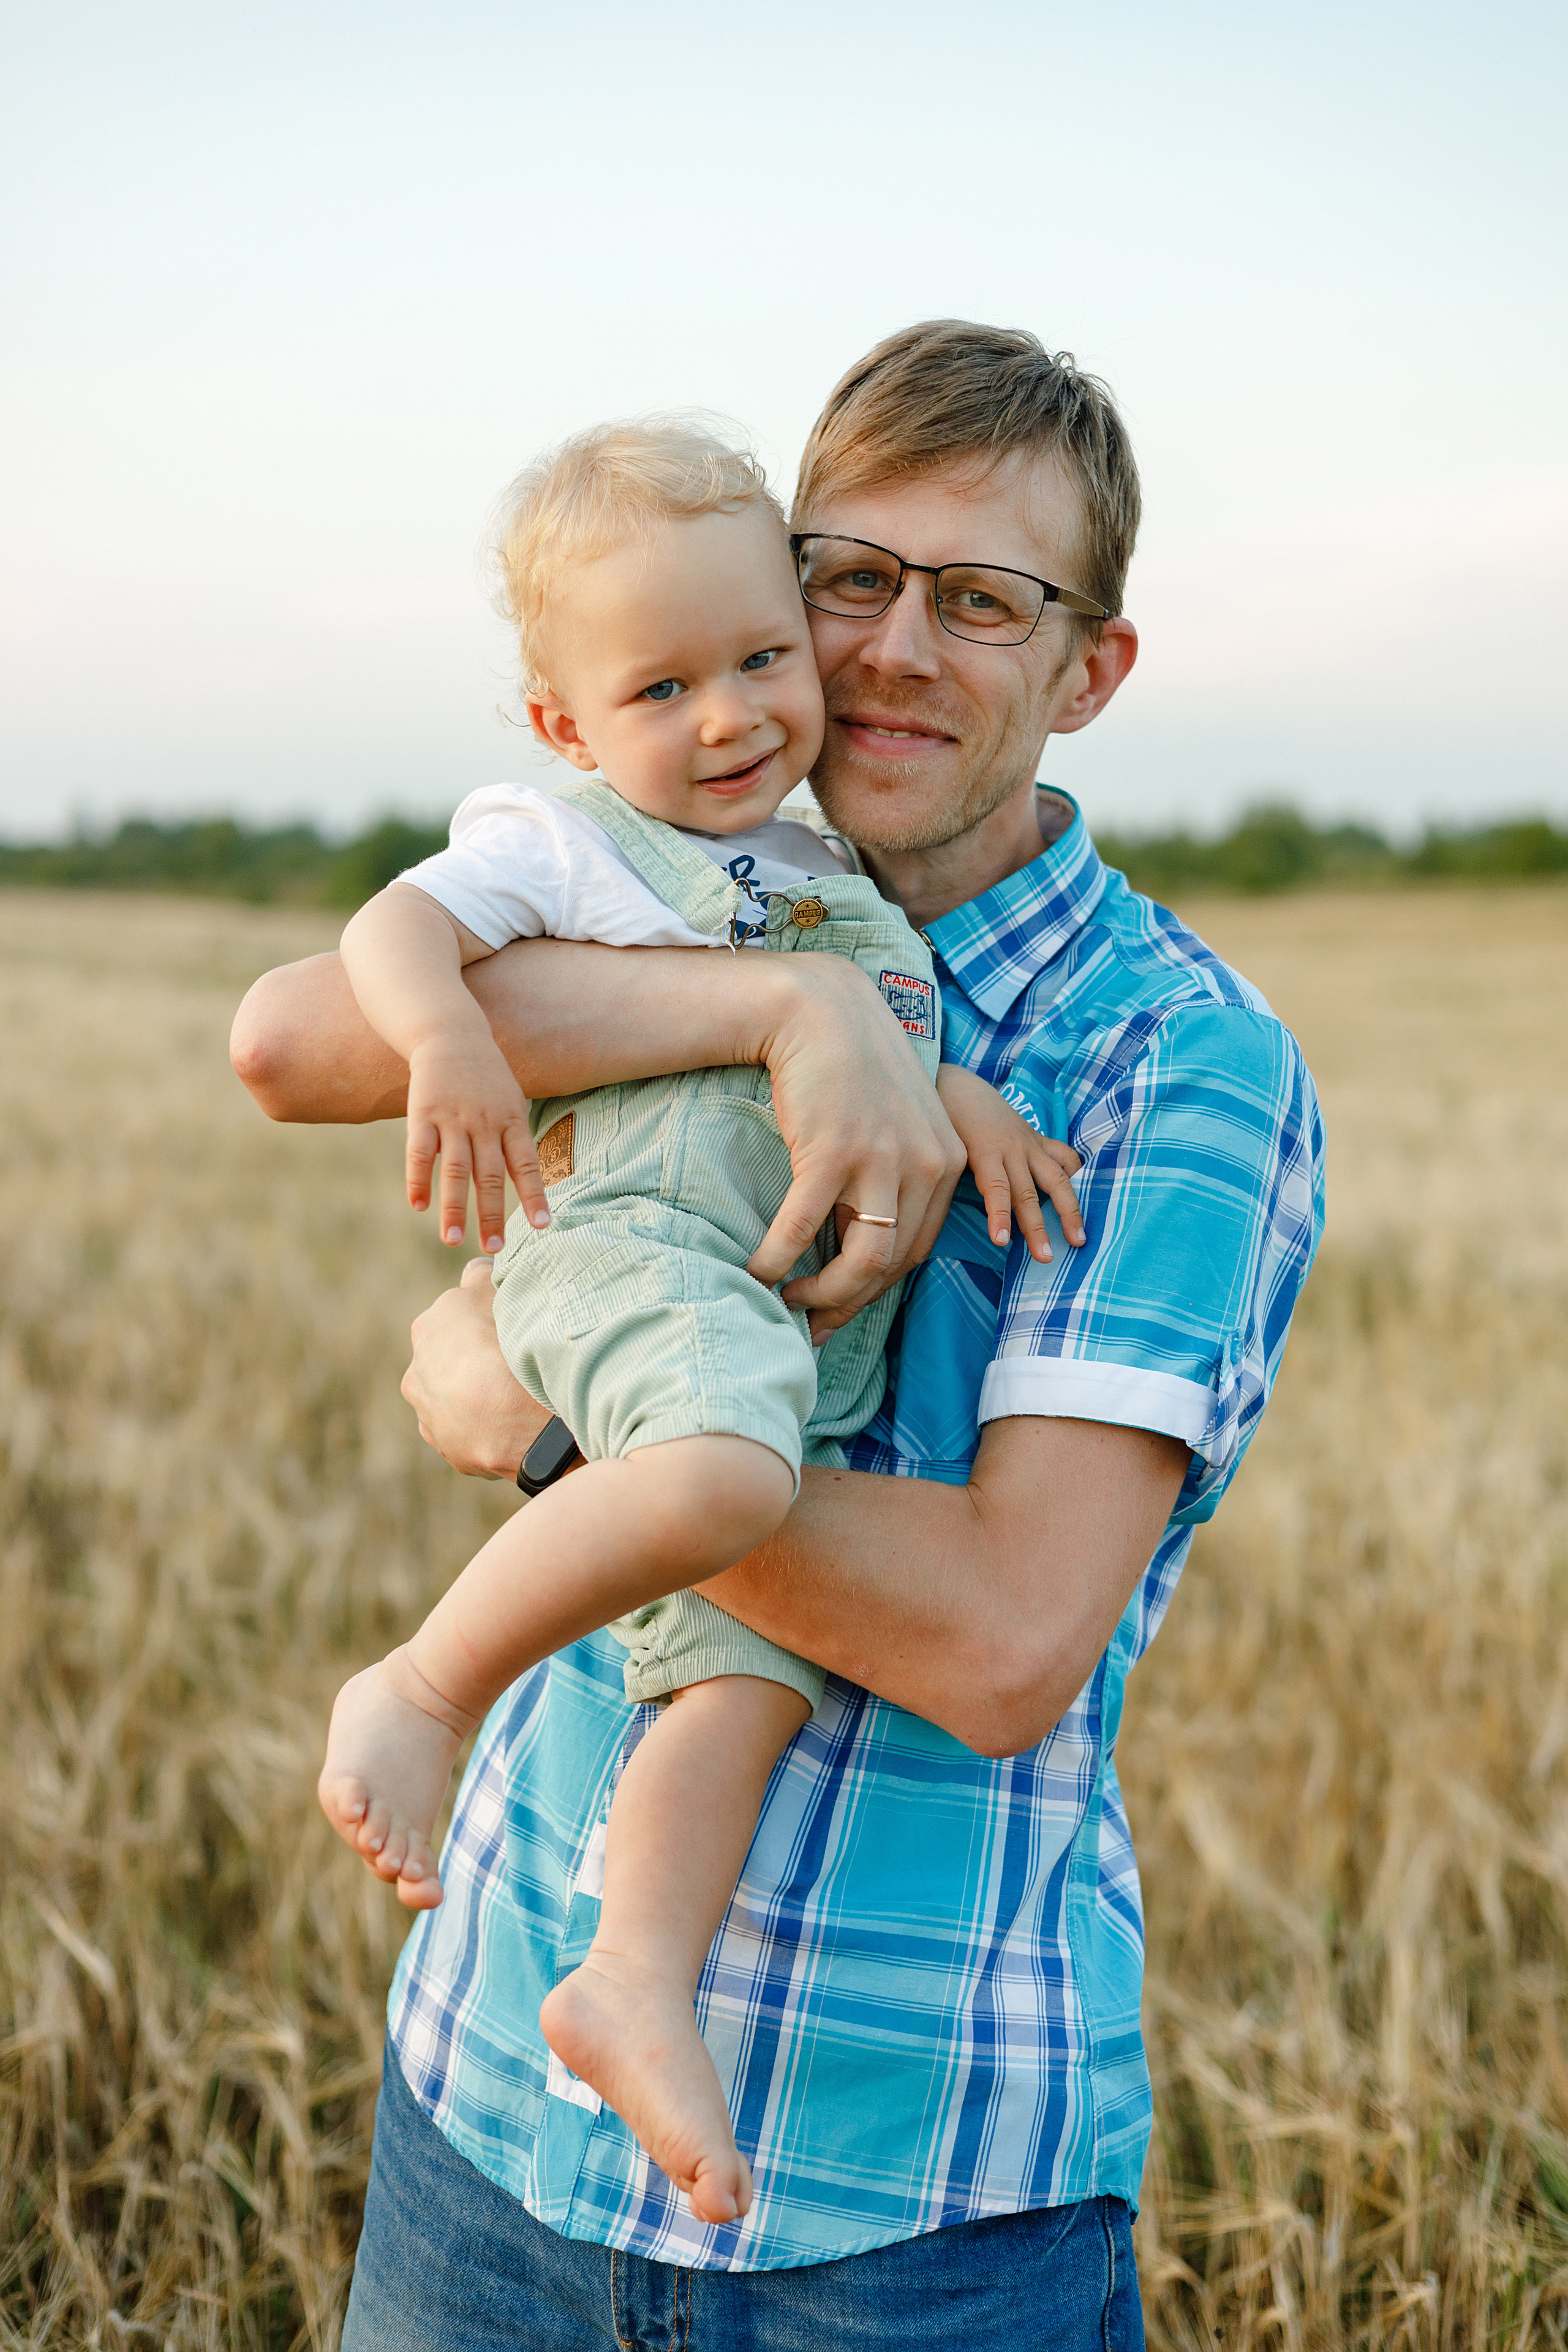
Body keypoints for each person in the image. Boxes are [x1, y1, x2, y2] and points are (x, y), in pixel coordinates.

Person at [232, 320, 1325, 2350]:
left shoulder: (1181, 1066)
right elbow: (296, 1039)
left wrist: (562, 1441)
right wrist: (783, 1013)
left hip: (897, 2210)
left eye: (985, 601)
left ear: (1094, 671)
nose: (896, 649)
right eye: (852, 580)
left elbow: (1005, 1641)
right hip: (494, 2112)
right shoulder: (684, 899)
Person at [316, 416, 1080, 2228]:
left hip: (772, 1335)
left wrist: (967, 1113)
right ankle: (422, 1685)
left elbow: (871, 1037)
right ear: (565, 727)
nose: (734, 715)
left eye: (758, 661)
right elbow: (376, 950)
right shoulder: (562, 848)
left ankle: (630, 1977)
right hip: (641, 1265)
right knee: (729, 1476)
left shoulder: (818, 866)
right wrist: (443, 1040)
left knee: (744, 1668)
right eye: (666, 686)